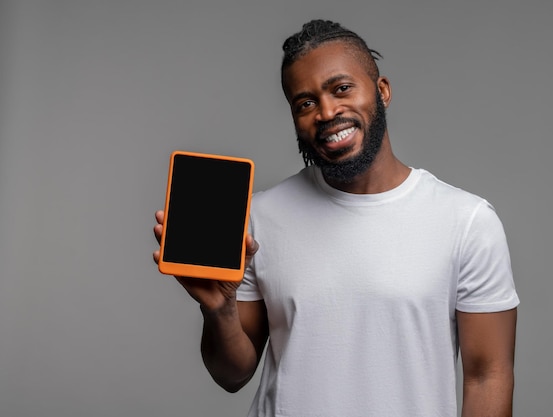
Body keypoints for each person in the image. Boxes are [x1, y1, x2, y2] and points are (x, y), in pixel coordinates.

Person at [153, 19, 519, 417]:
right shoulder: (259, 217)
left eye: (341, 88)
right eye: (305, 103)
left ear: (382, 91)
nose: (326, 112)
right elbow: (232, 374)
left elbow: (488, 375)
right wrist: (218, 309)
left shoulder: (466, 222)